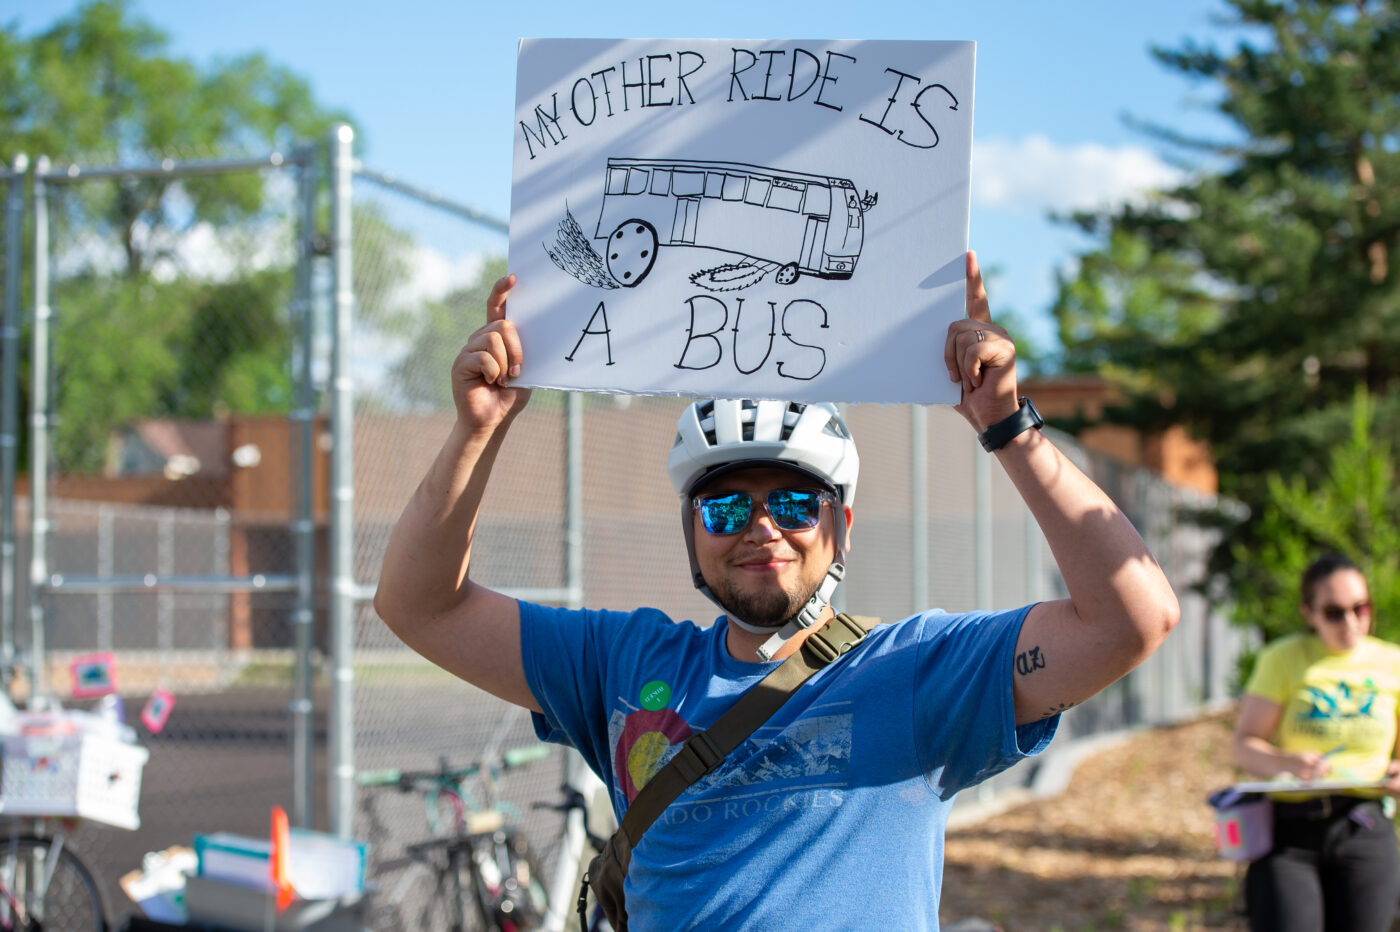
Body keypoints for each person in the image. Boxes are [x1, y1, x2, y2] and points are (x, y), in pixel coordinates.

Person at [374, 251, 1180, 931]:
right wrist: (478, 430)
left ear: (842, 525)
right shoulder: (619, 662)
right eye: (725, 506)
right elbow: (420, 605)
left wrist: (1007, 426)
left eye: (795, 503)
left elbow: (1131, 618)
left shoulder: (919, 668)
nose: (762, 527)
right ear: (692, 530)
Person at [1233, 553, 1400, 931]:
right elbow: (1243, 746)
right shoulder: (1283, 659)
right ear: (1309, 613)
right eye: (1335, 612)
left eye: (1361, 607)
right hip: (1290, 832)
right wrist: (1287, 763)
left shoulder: (1392, 662)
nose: (1352, 622)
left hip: (1366, 826)